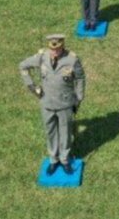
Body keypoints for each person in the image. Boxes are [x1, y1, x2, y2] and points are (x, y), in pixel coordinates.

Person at [19, 34, 86, 175]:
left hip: (65, 104)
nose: (55, 52)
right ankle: (54, 160)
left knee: (65, 133)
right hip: (47, 103)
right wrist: (32, 87)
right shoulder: (42, 57)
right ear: (49, 47)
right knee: (50, 132)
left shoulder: (72, 59)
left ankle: (65, 159)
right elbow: (23, 66)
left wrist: (79, 97)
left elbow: (80, 78)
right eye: (52, 49)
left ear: (63, 46)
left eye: (58, 49)